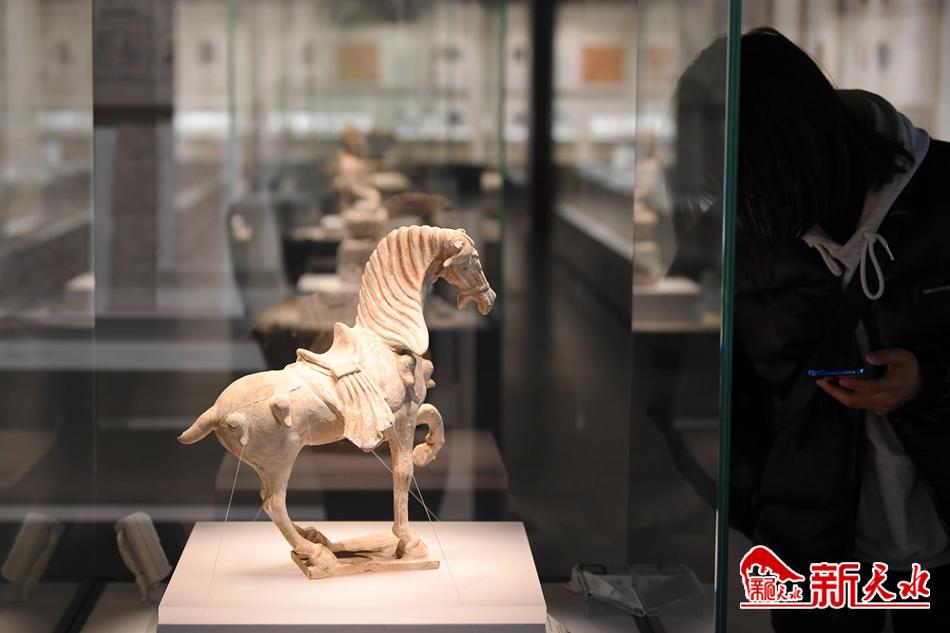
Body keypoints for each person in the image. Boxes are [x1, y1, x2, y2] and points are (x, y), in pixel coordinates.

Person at [672, 28, 950, 632]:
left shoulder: (944, 194)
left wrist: (930, 379)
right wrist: (769, 504)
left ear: (792, 151)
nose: (739, 206)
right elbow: (683, 396)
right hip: (814, 556)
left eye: (746, 181)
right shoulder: (730, 233)